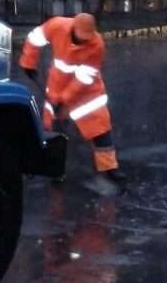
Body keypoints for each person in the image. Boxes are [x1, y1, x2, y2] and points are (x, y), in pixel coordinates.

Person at [19, 12, 126, 184]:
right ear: (73, 29)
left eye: (87, 38)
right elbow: (34, 38)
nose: (84, 41)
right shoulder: (57, 26)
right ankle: (54, 169)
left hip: (87, 92)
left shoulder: (96, 44)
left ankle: (110, 169)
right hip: (57, 85)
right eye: (80, 37)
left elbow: (85, 77)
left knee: (100, 128)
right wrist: (28, 62)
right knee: (55, 132)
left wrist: (64, 100)